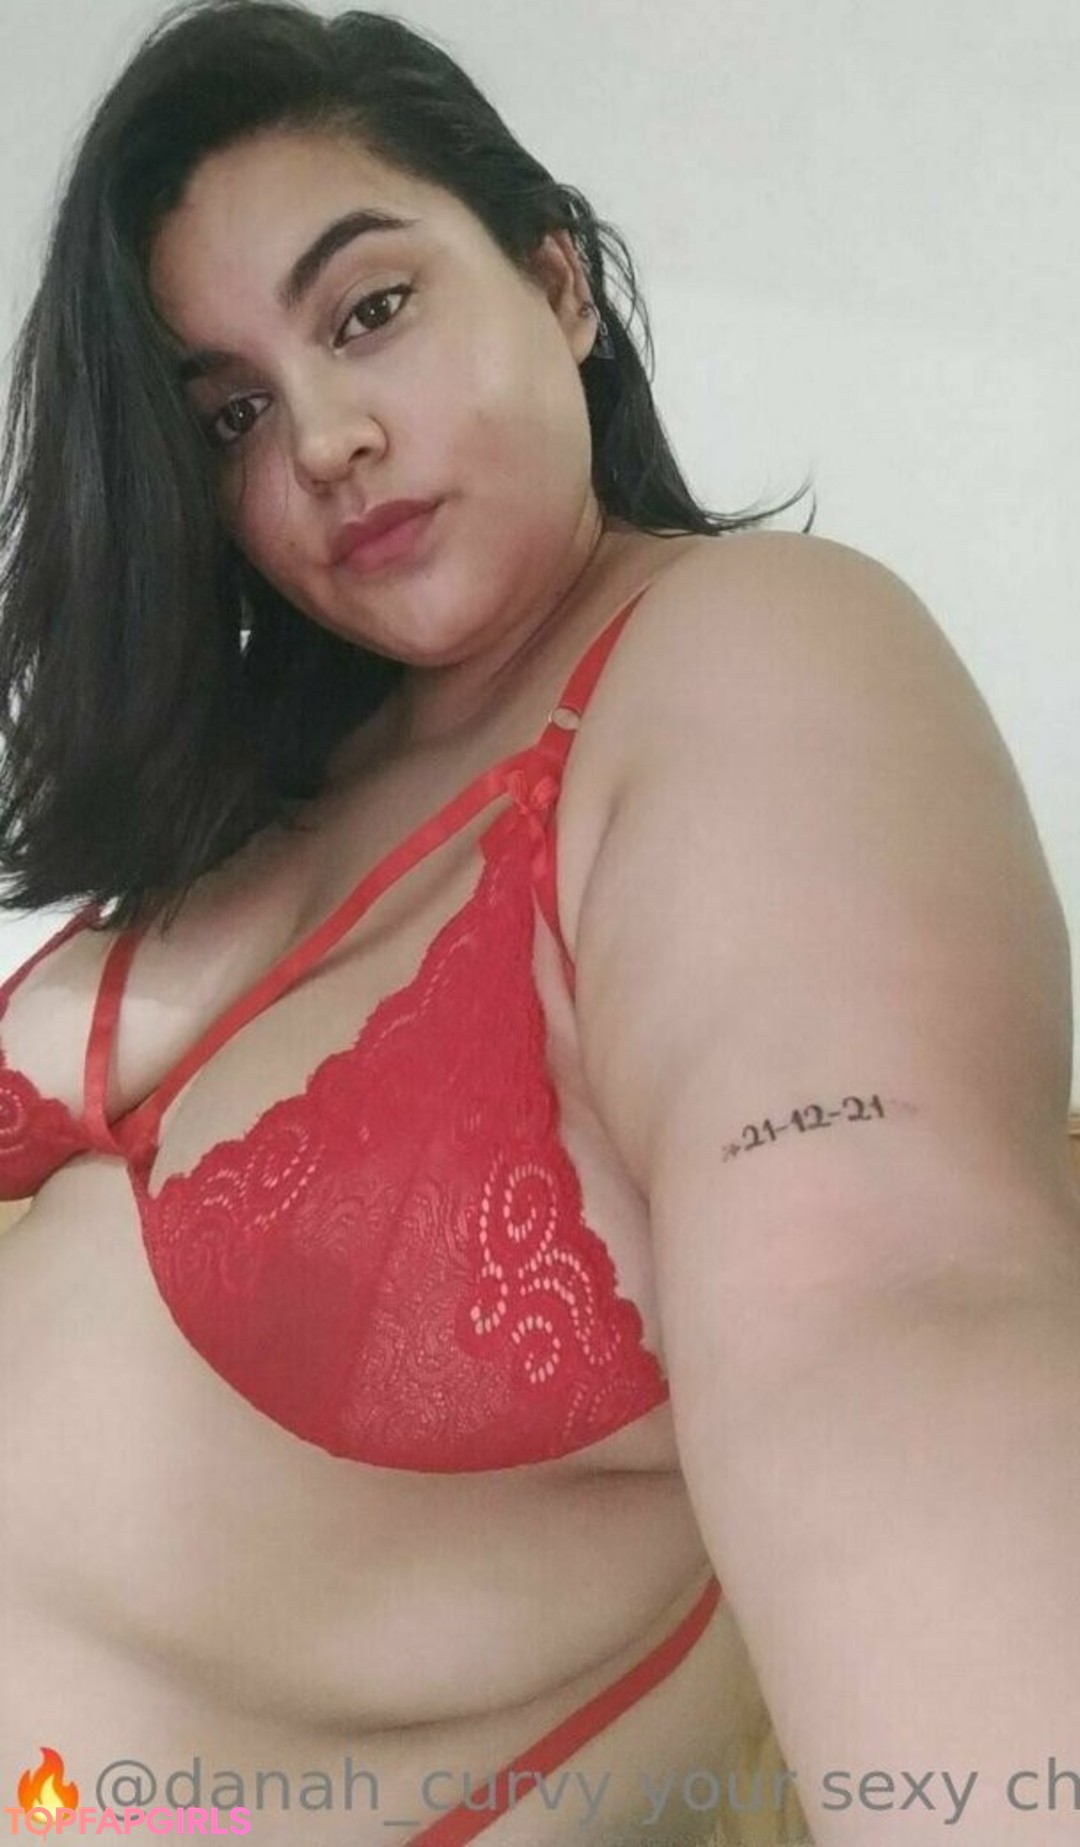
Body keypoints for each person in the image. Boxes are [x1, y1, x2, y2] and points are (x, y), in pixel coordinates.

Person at [0, 5, 1076, 1846]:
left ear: (560, 282)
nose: (324, 439)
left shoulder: (753, 656)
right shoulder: (278, 785)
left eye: (370, 311)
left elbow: (889, 1304)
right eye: (232, 413)